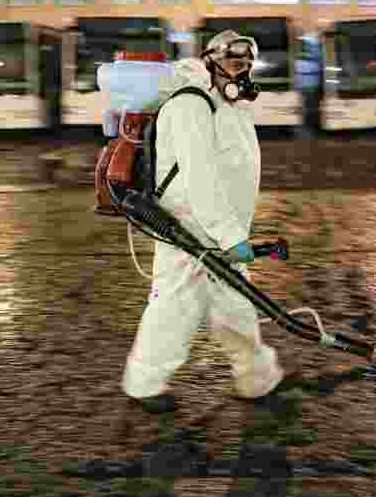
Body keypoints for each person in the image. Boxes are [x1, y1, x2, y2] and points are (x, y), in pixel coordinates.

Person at [121, 30, 292, 413]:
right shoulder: (190, 105)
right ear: (211, 61)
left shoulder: (226, 106)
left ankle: (256, 378)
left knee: (234, 303)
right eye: (234, 63)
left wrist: (232, 232)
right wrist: (232, 236)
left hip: (216, 230)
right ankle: (144, 383)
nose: (241, 72)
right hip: (188, 228)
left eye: (247, 65)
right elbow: (201, 177)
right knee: (175, 306)